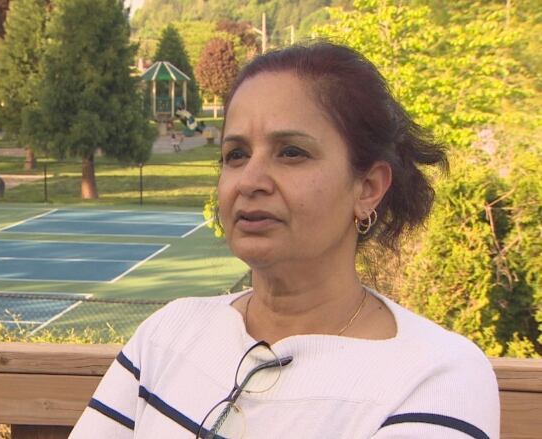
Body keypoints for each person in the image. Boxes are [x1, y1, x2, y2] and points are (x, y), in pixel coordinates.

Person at [70, 41, 500, 438]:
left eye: (291, 152)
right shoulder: (168, 333)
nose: (250, 181)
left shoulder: (436, 378)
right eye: (236, 155)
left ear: (367, 187)